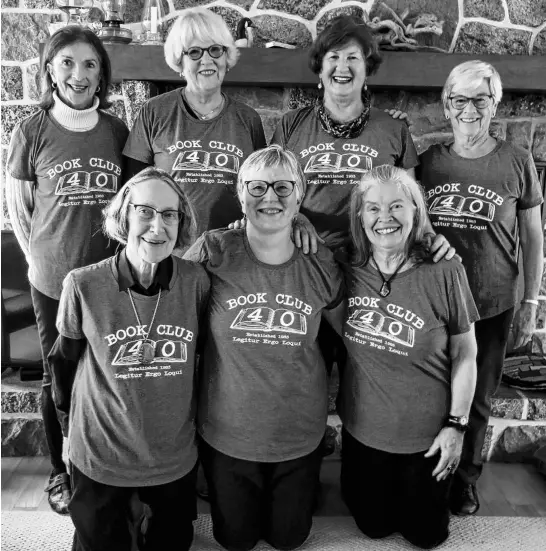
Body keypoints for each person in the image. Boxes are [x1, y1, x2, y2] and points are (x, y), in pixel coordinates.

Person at [184, 145, 343, 551]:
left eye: (283, 187)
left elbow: (353, 332)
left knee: (289, 539)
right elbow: (171, 309)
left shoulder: (321, 262)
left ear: (301, 193)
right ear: (240, 193)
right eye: (256, 187)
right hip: (227, 431)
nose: (269, 197)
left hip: (298, 431)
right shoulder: (212, 250)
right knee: (234, 540)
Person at [49, 167, 210, 551]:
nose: (158, 225)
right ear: (123, 216)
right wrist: (67, 434)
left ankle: (141, 511)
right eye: (146, 211)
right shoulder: (83, 284)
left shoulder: (196, 281)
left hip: (170, 454)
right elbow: (61, 366)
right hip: (101, 451)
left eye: (170, 214)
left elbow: (204, 359)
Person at [5, 25, 129, 515]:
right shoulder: (31, 130)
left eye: (90, 64)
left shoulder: (117, 130)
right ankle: (63, 471)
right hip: (53, 278)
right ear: (50, 71)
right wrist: (41, 259)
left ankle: (107, 463)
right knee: (59, 375)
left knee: (108, 373)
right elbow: (20, 209)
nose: (79, 74)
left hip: (107, 280)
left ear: (102, 75)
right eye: (68, 63)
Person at [418, 60, 544, 516]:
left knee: (479, 396)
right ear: (445, 106)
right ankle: (429, 467)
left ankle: (465, 479)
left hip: (492, 301)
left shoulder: (517, 160)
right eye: (459, 99)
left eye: (480, 99)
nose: (469, 109)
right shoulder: (428, 162)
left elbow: (533, 236)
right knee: (435, 392)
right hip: (436, 304)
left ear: (495, 105)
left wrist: (531, 301)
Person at [329, 165, 478, 549]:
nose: (385, 218)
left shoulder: (445, 269)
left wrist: (457, 426)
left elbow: (466, 352)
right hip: (364, 433)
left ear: (416, 210)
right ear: (359, 216)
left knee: (427, 536)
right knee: (372, 527)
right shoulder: (343, 265)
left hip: (425, 437)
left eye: (397, 206)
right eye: (373, 208)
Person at [123, 7, 267, 242]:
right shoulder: (154, 112)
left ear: (226, 58)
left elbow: (261, 189)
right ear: (180, 61)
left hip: (231, 251)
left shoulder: (248, 118)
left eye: (215, 50)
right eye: (195, 52)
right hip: (169, 252)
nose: (207, 60)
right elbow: (132, 191)